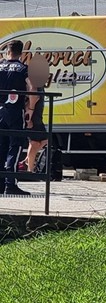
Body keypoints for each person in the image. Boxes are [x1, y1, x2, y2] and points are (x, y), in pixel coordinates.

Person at [0, 39, 34, 196]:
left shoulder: (0, 66)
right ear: (22, 53)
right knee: (15, 146)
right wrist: (30, 109)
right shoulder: (23, 68)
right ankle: (10, 183)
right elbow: (32, 89)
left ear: (7, 51)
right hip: (14, 111)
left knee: (1, 146)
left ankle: (1, 183)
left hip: (0, 110)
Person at [24, 85, 47, 173]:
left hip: (37, 116)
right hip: (33, 117)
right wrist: (28, 118)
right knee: (34, 142)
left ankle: (28, 159)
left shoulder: (39, 85)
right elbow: (31, 99)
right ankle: (30, 169)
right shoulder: (32, 84)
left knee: (44, 141)